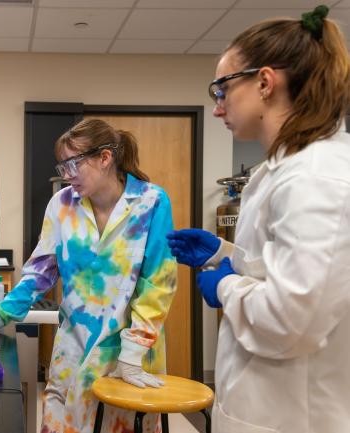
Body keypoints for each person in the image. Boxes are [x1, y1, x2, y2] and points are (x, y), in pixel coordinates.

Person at [167, 5, 350, 433]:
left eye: (221, 89)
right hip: (262, 406)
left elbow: (293, 321)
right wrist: (224, 254)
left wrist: (226, 284)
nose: (216, 108)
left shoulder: (317, 176)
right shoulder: (281, 171)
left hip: (294, 417)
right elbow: (283, 270)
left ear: (265, 82)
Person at [0, 118, 177, 433]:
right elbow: (40, 272)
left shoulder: (152, 203)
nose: (66, 177)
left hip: (127, 357)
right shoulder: (61, 205)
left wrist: (133, 352)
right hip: (73, 353)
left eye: (73, 164)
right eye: (62, 167)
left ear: (105, 158)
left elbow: (158, 283)